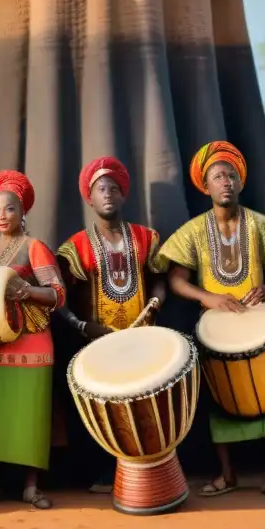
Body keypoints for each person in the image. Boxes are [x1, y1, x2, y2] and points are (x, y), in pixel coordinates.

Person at [156, 141, 265, 503]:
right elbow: (174, 278)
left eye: (231, 175)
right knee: (220, 404)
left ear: (240, 183)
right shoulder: (193, 231)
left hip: (260, 328)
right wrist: (207, 297)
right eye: (217, 176)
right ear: (205, 187)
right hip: (216, 332)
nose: (225, 182)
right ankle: (228, 474)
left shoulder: (261, 226)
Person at [55, 156, 167, 493]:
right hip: (97, 346)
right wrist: (81, 326)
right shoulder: (73, 247)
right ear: (89, 198)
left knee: (143, 407)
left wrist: (155, 303)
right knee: (104, 411)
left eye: (114, 188)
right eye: (101, 189)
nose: (108, 194)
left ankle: (147, 472)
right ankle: (104, 474)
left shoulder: (147, 238)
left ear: (123, 196)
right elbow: (57, 297)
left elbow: (161, 278)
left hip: (141, 342)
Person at [0, 170, 66, 512]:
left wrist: (28, 291)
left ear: (23, 213)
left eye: (9, 209)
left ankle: (31, 487)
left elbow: (58, 294)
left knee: (30, 417)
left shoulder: (34, 248)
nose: (2, 216)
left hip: (32, 342)